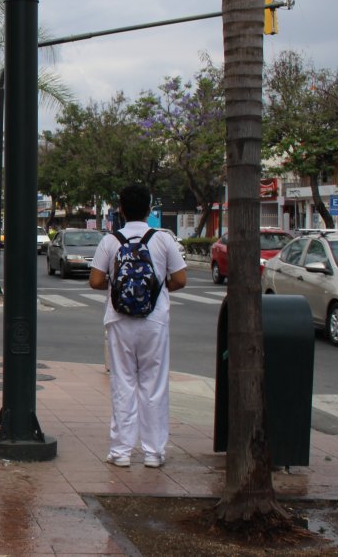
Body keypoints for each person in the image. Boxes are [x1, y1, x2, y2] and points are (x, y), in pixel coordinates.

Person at [88, 184, 187, 469]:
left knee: (123, 383)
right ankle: (154, 452)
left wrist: (118, 287)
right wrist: (156, 288)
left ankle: (121, 451)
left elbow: (95, 281)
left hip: (119, 321)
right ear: (149, 208)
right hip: (154, 321)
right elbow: (180, 279)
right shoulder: (163, 239)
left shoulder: (111, 241)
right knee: (153, 385)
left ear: (120, 209)